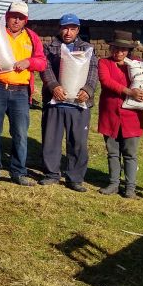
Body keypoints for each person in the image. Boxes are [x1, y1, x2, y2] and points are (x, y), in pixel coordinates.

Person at [0, 0, 46, 185]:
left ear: (26, 20)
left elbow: (42, 62)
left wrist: (29, 62)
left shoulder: (32, 37)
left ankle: (19, 172)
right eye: (13, 16)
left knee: (20, 133)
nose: (16, 20)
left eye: (21, 18)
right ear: (7, 17)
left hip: (21, 92)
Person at [39, 13, 98, 191]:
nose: (68, 32)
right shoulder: (50, 47)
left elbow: (93, 71)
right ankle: (51, 174)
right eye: (65, 28)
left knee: (78, 142)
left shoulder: (87, 48)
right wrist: (54, 86)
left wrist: (87, 90)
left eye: (72, 29)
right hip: (55, 102)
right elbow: (45, 68)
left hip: (79, 104)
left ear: (78, 30)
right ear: (60, 28)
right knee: (51, 140)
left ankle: (75, 178)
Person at [97, 30, 143, 198]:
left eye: (123, 49)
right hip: (110, 114)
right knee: (113, 151)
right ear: (111, 48)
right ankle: (114, 183)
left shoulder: (137, 64)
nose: (119, 52)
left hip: (131, 116)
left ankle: (130, 188)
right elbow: (107, 82)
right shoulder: (104, 63)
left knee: (130, 153)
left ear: (129, 50)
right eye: (116, 48)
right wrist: (129, 92)